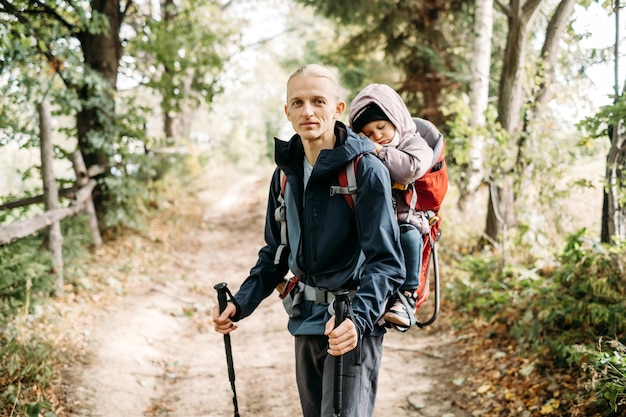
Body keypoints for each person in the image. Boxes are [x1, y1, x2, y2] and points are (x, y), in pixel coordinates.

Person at [212, 65, 405, 417]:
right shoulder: (284, 174)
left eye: (318, 101)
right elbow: (276, 252)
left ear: (338, 108)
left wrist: (358, 320)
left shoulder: (365, 170)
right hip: (306, 318)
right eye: (298, 103)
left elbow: (387, 262)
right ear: (287, 112)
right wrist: (239, 303)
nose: (308, 111)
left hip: (351, 321)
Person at [349, 83, 434, 331]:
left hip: (408, 219)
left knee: (408, 236)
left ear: (396, 121)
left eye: (381, 127)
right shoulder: (368, 152)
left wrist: (378, 151)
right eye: (367, 133)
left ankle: (406, 299)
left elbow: (410, 168)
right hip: (378, 221)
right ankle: (373, 300)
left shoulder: (415, 144)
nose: (377, 136)